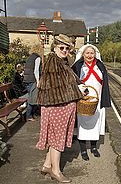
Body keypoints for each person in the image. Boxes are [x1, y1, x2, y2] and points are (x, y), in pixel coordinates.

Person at [36, 34, 83, 183]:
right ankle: (56, 171)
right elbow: (57, 87)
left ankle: (47, 165)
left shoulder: (61, 61)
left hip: (60, 105)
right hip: (57, 106)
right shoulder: (53, 62)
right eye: (61, 47)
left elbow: (65, 83)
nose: (64, 50)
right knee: (57, 138)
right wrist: (77, 91)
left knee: (54, 137)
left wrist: (77, 88)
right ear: (55, 47)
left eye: (67, 48)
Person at [72, 44, 111, 161]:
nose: (89, 55)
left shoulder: (100, 65)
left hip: (97, 100)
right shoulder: (78, 66)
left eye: (91, 53)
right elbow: (73, 81)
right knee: (82, 124)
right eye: (87, 53)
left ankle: (94, 147)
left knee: (96, 124)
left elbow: (104, 81)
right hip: (83, 101)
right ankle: (83, 149)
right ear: (83, 54)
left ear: (95, 54)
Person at [23, 44, 43, 121]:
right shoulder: (37, 58)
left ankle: (32, 113)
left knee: (31, 97)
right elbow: (36, 71)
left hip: (26, 80)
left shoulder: (30, 57)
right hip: (32, 80)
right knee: (32, 99)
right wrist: (38, 81)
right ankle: (29, 116)